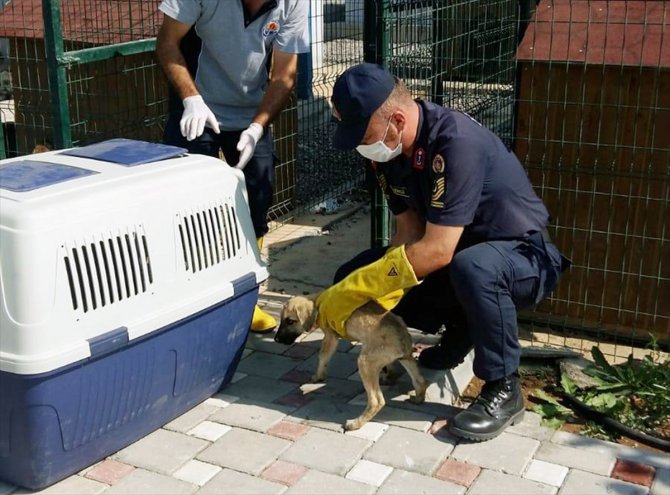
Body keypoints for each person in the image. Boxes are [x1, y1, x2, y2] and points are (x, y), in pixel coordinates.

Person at [317, 63, 570, 441]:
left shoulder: (455, 142)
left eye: (363, 134)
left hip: (523, 257)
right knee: (352, 274)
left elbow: (436, 251)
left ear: (397, 121)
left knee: (471, 268)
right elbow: (408, 233)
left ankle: (504, 387)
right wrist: (366, 289)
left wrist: (363, 287)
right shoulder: (387, 154)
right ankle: (459, 334)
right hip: (460, 260)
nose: (359, 144)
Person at [156, 0, 309, 333]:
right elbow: (167, 42)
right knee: (190, 209)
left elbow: (284, 76)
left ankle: (246, 299)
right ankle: (196, 303)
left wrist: (257, 127)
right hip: (198, 108)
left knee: (258, 201)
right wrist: (190, 99)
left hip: (250, 112)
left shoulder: (293, 3)